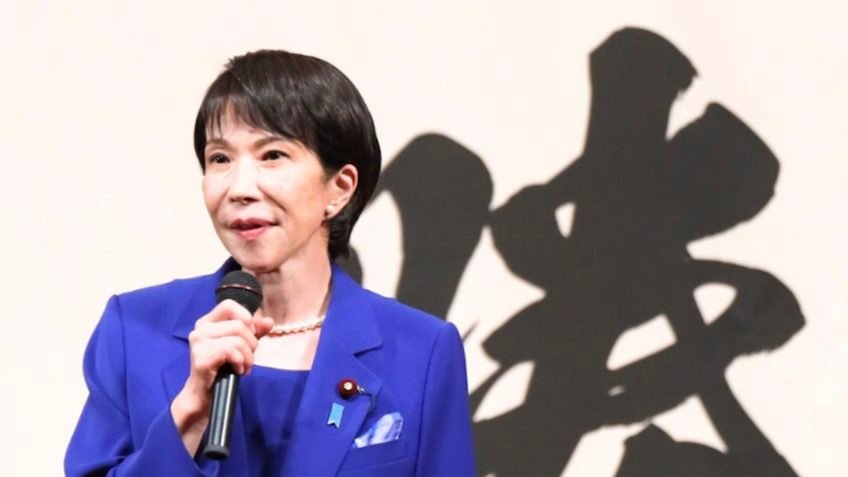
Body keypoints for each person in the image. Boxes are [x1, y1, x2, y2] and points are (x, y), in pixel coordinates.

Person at [65, 50, 476, 477]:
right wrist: (188, 415)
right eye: (220, 158)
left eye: (272, 155)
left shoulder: (422, 350)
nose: (240, 188)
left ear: (339, 188)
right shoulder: (133, 331)